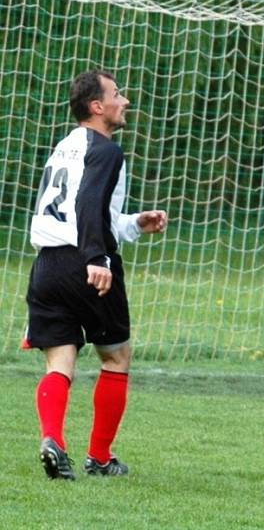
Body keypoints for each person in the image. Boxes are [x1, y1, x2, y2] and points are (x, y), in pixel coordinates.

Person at [25, 70, 168, 480]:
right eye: (117, 95)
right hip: (87, 263)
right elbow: (88, 206)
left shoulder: (63, 147)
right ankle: (100, 458)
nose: (124, 102)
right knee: (117, 356)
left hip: (47, 265)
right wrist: (97, 259)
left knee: (60, 361)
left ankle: (53, 437)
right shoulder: (106, 150)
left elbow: (85, 211)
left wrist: (135, 223)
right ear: (97, 107)